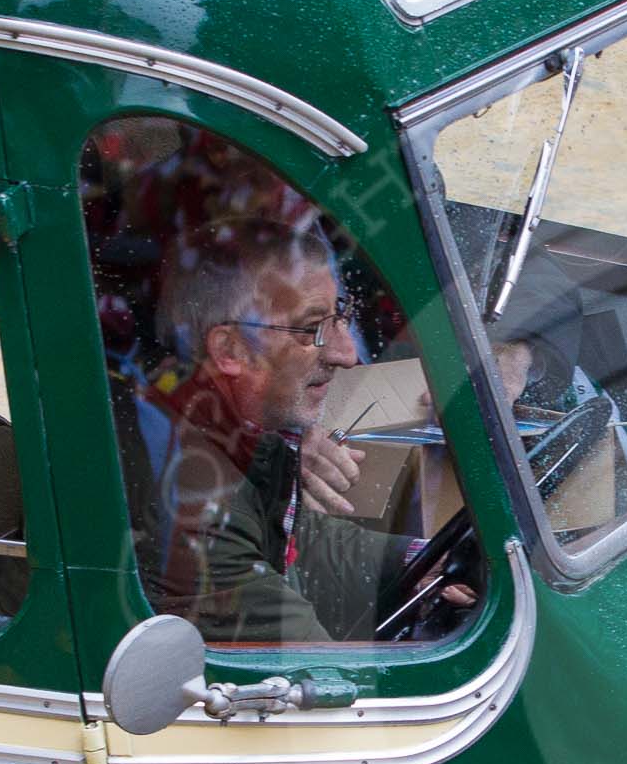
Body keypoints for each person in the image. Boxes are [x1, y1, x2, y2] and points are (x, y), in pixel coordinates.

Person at [136, 220, 449, 643]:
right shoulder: (198, 504)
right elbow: (325, 679)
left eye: (341, 316)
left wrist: (428, 559)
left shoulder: (236, 433)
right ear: (230, 350)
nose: (346, 354)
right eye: (311, 329)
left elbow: (300, 541)